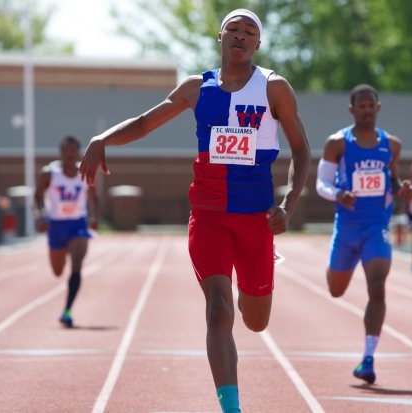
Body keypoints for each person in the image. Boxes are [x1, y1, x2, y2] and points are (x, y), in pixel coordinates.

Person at [79, 9, 310, 412]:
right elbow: (145, 123)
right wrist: (103, 138)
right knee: (218, 309)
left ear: (258, 44)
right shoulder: (196, 89)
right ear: (220, 37)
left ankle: (256, 282)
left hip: (255, 216)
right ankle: (231, 407)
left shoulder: (274, 88)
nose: (240, 36)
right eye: (233, 30)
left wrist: (288, 204)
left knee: (255, 320)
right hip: (208, 213)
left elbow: (302, 149)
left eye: (249, 32)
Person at [316, 84, 412, 384]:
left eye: (372, 106)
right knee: (336, 290)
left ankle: (368, 358)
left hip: (376, 227)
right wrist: (338, 195)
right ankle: (332, 270)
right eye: (362, 106)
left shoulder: (391, 145)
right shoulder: (337, 143)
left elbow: (393, 181)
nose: (367, 111)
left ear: (378, 108)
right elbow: (322, 184)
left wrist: (402, 190)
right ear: (352, 109)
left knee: (378, 286)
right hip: (347, 228)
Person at [34, 135, 99, 328]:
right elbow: (37, 198)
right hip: (56, 226)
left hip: (77, 224)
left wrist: (94, 217)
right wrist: (40, 216)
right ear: (61, 152)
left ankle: (67, 311)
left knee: (77, 265)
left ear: (79, 153)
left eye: (73, 150)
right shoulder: (49, 174)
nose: (69, 154)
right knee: (57, 271)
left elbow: (95, 198)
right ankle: (67, 308)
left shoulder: (86, 172)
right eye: (66, 150)